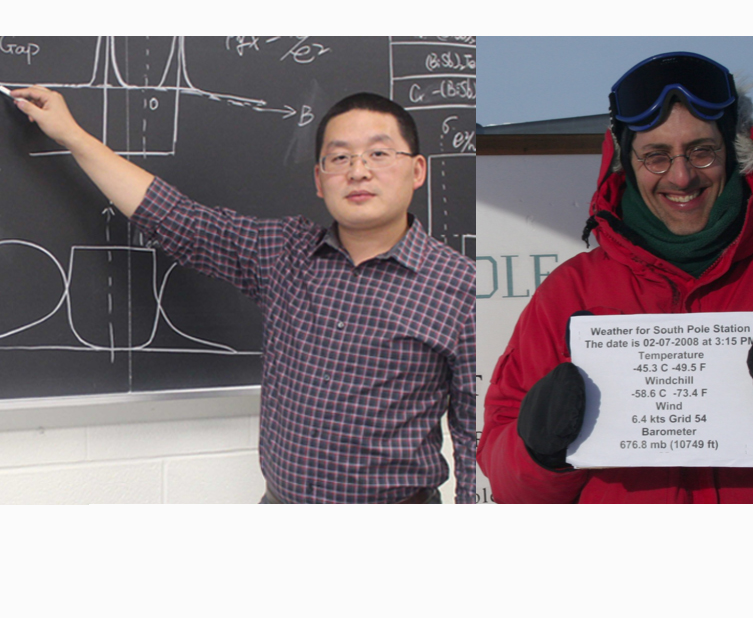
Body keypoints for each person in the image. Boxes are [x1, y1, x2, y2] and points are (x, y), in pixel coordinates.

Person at [477, 51, 753, 503]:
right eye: (656, 155)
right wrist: (539, 450)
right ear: (624, 162)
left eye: (702, 151)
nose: (681, 176)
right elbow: (504, 470)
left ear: (736, 151)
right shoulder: (568, 293)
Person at [12, 85, 476, 504]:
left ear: (416, 170)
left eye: (379, 154)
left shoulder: (459, 288)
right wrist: (71, 134)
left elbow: (475, 434)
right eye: (339, 158)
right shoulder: (285, 253)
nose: (358, 171)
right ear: (319, 180)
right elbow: (175, 218)